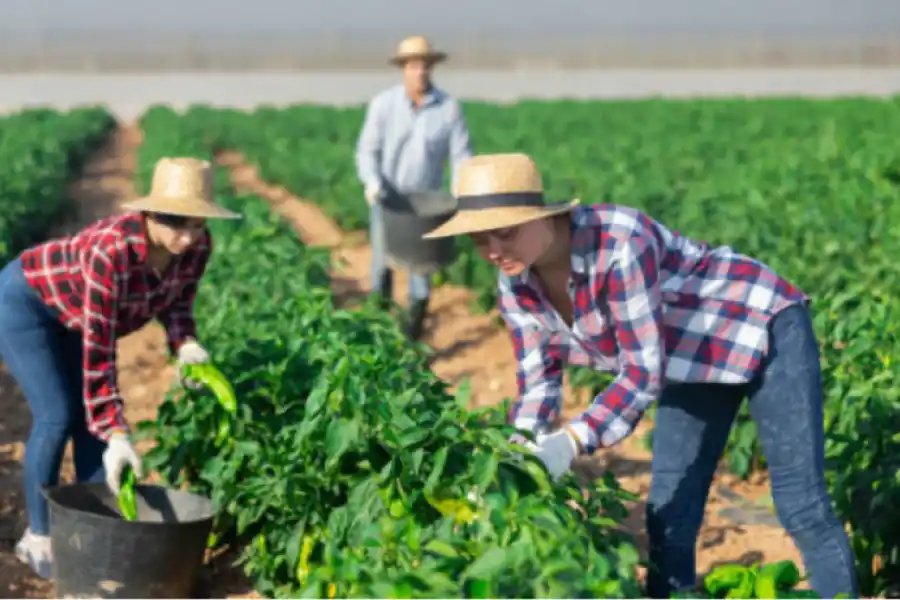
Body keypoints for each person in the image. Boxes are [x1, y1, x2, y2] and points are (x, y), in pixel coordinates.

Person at [422, 152, 858, 599]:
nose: (494, 250)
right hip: (689, 358)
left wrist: (570, 442)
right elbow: (538, 382)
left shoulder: (618, 243)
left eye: (506, 232)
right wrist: (510, 461)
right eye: (479, 239)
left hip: (759, 324)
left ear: (540, 217)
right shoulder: (515, 285)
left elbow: (642, 372)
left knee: (799, 502)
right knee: (669, 511)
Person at [0, 157, 241, 579]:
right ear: (149, 213)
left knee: (96, 429)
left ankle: (99, 531)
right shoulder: (111, 252)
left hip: (74, 313)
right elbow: (98, 352)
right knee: (58, 415)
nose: (186, 236)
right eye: (175, 222)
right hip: (26, 305)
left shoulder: (197, 248)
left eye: (197, 223)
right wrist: (118, 429)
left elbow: (178, 304)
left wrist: (185, 344)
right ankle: (37, 535)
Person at [354, 34, 472, 340]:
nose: (419, 71)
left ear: (431, 68)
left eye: (424, 65)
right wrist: (372, 183)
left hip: (429, 205)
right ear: (403, 68)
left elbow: (461, 155)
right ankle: (378, 334)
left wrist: (461, 191)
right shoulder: (384, 105)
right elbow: (368, 150)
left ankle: (411, 339)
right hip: (389, 200)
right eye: (412, 65)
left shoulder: (448, 109)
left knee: (422, 275)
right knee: (382, 267)